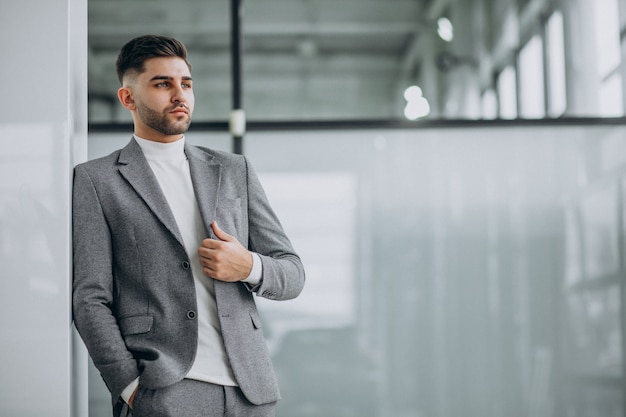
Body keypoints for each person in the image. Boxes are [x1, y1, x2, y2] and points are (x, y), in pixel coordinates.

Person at [72, 34, 305, 417]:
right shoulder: (98, 180)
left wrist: (248, 266)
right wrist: (129, 386)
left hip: (250, 391)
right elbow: (90, 297)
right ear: (128, 99)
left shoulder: (233, 171)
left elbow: (292, 273)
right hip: (165, 388)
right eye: (162, 84)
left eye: (186, 83)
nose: (179, 94)